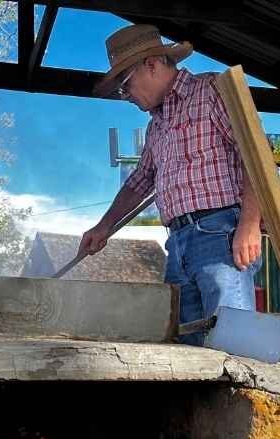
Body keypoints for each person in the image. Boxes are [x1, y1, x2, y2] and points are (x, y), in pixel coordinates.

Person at [80, 25, 263, 345]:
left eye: (126, 85)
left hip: (219, 233)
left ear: (151, 64)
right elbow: (139, 182)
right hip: (177, 243)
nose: (126, 97)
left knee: (233, 344)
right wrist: (104, 226)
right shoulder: (156, 126)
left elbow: (255, 153)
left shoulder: (209, 92)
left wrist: (249, 223)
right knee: (188, 345)